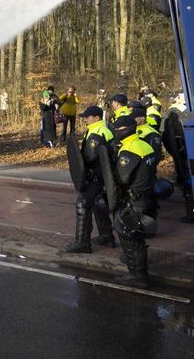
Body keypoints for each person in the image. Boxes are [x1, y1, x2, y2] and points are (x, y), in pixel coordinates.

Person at [110, 115, 157, 288]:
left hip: (135, 198)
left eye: (117, 129)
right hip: (147, 195)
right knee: (135, 234)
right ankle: (134, 264)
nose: (115, 131)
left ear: (125, 130)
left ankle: (138, 275)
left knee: (130, 234)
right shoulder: (144, 144)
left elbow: (123, 178)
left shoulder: (129, 149)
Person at [61, 106, 116, 254]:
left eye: (88, 116)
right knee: (98, 203)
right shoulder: (97, 130)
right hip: (100, 176)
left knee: (83, 203)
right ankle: (106, 236)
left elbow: (90, 157)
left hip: (98, 177)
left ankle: (82, 243)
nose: (85, 119)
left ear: (97, 118)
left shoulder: (99, 133)